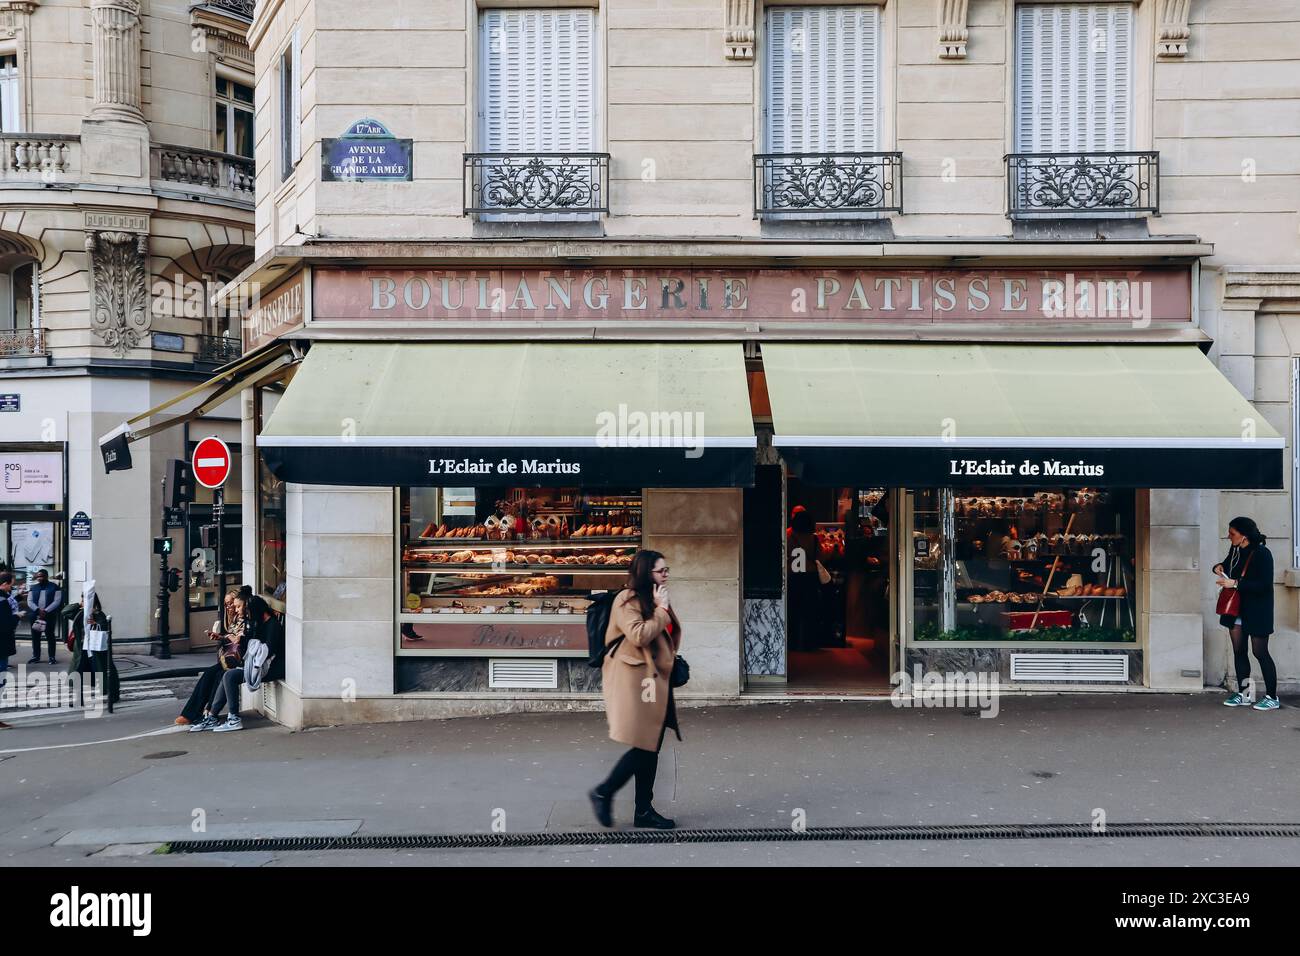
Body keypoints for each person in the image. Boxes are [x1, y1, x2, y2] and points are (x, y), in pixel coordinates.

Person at [588, 550, 682, 830]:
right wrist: (662, 611)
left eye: (667, 570)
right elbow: (638, 634)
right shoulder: (626, 600)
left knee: (651, 743)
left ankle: (643, 809)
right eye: (660, 571)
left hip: (653, 677)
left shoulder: (653, 597)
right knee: (646, 744)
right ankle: (604, 792)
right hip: (636, 679)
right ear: (645, 573)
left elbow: (665, 631)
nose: (666, 575)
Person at [1215, 516, 1280, 711]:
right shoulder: (1235, 550)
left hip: (1257, 610)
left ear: (1243, 536)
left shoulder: (1262, 553)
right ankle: (1245, 694)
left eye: (1232, 533)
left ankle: (1271, 697)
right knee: (1239, 651)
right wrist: (1218, 568)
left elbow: (1264, 584)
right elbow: (1227, 565)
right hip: (1236, 609)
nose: (1229, 536)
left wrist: (1235, 583)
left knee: (1260, 652)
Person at [177, 586, 250, 726]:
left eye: (231, 603)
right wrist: (221, 637)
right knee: (208, 674)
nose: (229, 607)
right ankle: (191, 713)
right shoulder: (233, 619)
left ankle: (210, 713)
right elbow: (232, 638)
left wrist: (225, 638)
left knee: (219, 676)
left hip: (238, 661)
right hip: (229, 659)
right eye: (226, 604)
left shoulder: (244, 618)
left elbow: (240, 640)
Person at [26, 569, 62, 665]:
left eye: (41, 576)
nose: (39, 578)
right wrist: (38, 610)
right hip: (35, 615)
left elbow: (57, 601)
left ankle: (52, 657)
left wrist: (46, 611)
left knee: (50, 636)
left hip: (49, 615)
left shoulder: (55, 587)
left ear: (46, 576)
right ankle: (36, 656)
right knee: (35, 637)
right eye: (38, 576)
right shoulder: (33, 587)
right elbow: (29, 601)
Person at [0, 571, 20, 691]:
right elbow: (5, 624)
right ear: (4, 584)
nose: (10, 588)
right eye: (10, 585)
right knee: (1, 668)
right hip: (2, 640)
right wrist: (17, 616)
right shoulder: (2, 600)